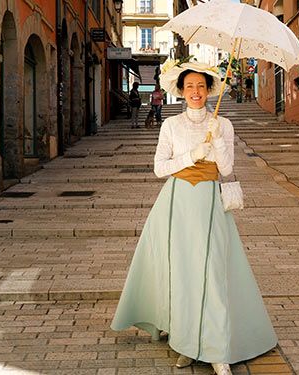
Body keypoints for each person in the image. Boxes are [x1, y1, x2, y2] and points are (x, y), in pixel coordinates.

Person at [110, 60, 277, 375]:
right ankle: (186, 343)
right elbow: (160, 168)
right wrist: (191, 155)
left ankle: (215, 348)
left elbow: (226, 169)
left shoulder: (223, 124)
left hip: (210, 205)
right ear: (181, 91)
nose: (196, 92)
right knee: (182, 277)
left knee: (212, 275)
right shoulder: (171, 126)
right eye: (190, 87)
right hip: (177, 205)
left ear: (210, 89)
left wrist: (214, 142)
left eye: (201, 86)